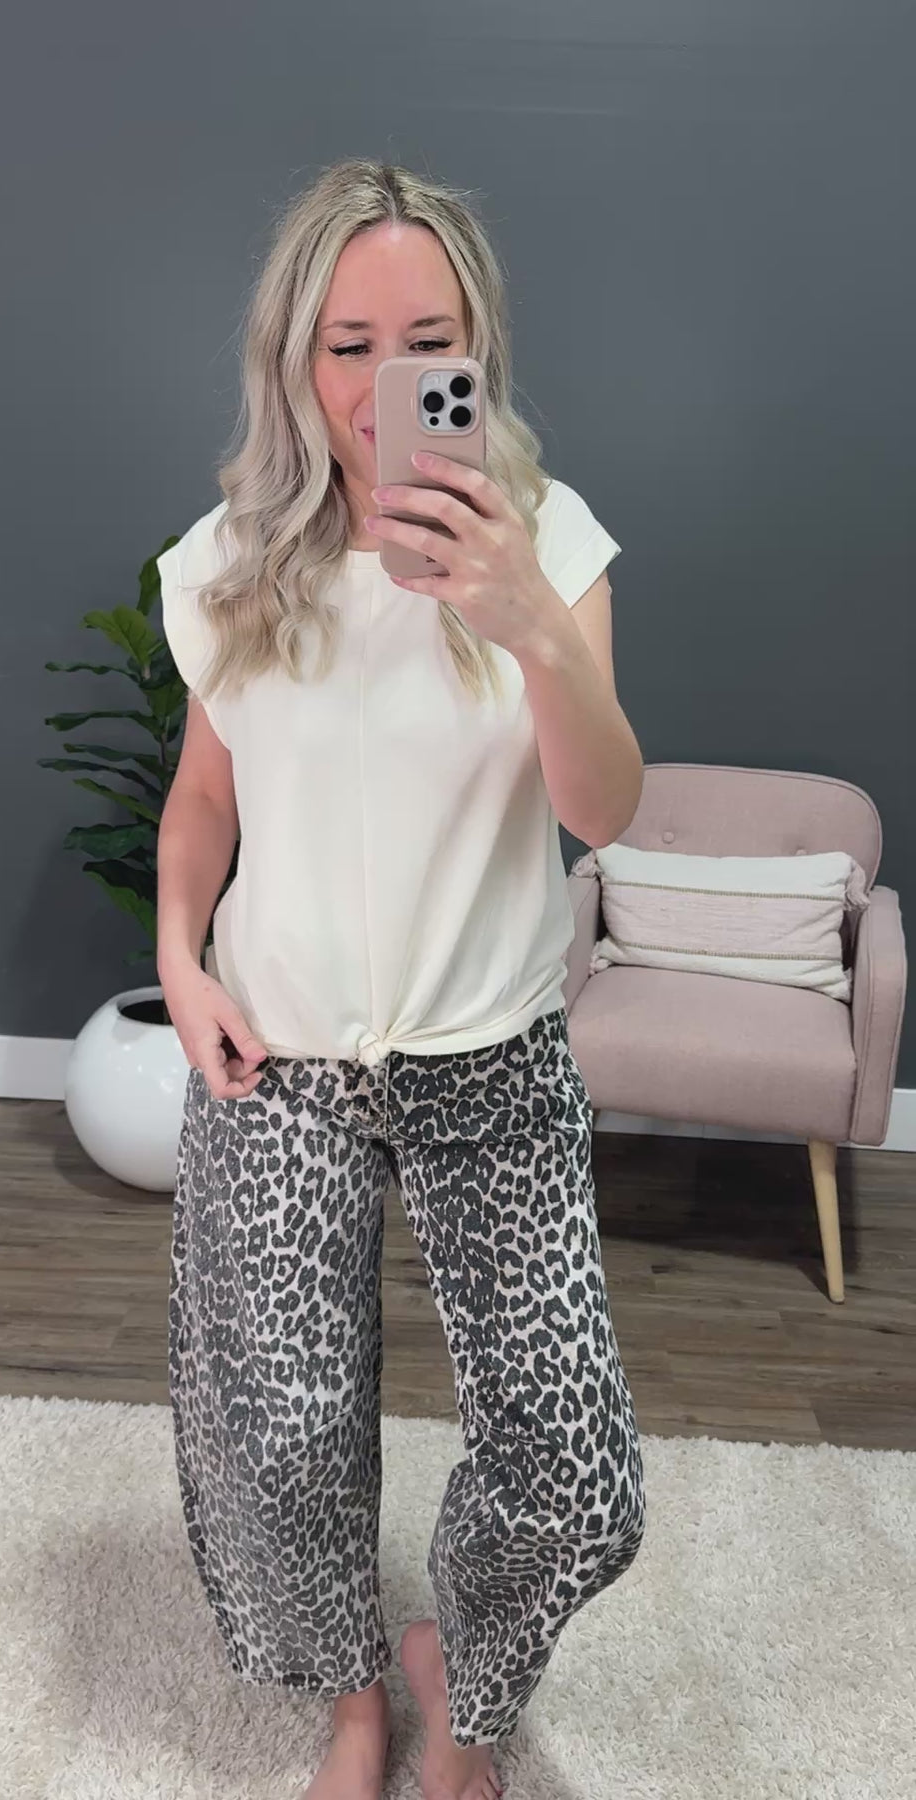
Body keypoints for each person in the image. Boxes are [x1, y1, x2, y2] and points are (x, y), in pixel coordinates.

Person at [155, 158, 647, 1800]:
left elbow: (601, 810)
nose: (383, 384)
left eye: (423, 341)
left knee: (571, 1470)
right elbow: (204, 802)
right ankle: (356, 1705)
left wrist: (529, 623)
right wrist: (176, 960)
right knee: (281, 1444)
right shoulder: (228, 565)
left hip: (490, 1060)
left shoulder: (549, 543)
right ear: (294, 361)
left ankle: (471, 1696)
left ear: (474, 347)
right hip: (278, 1062)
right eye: (346, 344)